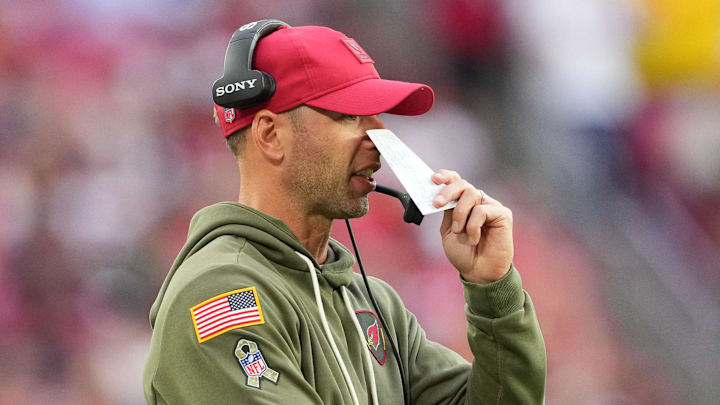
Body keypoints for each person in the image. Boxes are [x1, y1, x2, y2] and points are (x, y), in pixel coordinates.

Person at [143, 23, 546, 404]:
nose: (379, 139)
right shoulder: (221, 295)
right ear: (269, 135)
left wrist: (493, 291)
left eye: (376, 117)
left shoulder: (372, 303)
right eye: (350, 115)